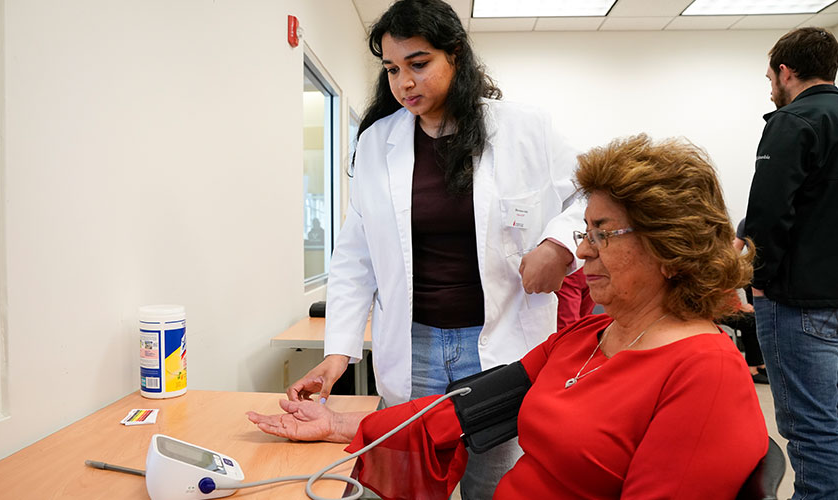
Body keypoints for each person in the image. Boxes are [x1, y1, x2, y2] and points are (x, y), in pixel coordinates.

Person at [250, 134, 769, 500]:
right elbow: (462, 410)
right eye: (584, 231)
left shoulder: (705, 372)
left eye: (601, 233)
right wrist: (336, 422)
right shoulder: (591, 335)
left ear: (671, 247)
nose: (581, 251)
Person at [287, 1, 583, 497]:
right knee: (408, 482)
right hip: (414, 345)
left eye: (418, 64)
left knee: (493, 483)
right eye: (392, 69)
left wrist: (559, 243)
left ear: (457, 57)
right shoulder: (377, 143)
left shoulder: (524, 129)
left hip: (500, 345)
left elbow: (593, 193)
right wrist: (338, 354)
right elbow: (355, 259)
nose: (404, 82)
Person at [744, 26, 838, 499]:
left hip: (800, 306)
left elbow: (767, 213)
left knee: (814, 432)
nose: (771, 86)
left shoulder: (793, 121)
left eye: (770, 76)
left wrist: (757, 281)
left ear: (786, 71)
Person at [720, 218, 767, 383]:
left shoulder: (726, 260)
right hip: (717, 309)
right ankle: (752, 368)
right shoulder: (715, 262)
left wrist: (743, 305)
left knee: (754, 319)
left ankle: (759, 364)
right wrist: (739, 307)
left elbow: (736, 285)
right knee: (750, 322)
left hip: (730, 306)